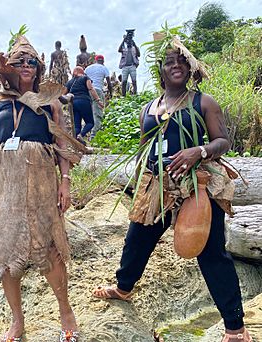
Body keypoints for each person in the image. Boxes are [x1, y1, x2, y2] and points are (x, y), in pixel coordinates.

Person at [92, 32, 252, 342]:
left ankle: (235, 328)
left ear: (191, 69)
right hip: (157, 187)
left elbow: (223, 141)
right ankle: (124, 288)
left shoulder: (202, 102)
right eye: (169, 62)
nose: (175, 65)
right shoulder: (148, 107)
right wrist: (143, 177)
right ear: (161, 71)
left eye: (181, 61)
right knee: (137, 238)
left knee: (211, 253)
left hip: (197, 186)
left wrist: (199, 152)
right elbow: (143, 146)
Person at [0, 36, 83, 342]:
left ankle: (65, 311)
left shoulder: (50, 101)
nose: (25, 66)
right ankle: (17, 321)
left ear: (38, 67)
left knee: (50, 249)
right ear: (8, 66)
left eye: (31, 62)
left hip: (41, 186)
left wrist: (65, 182)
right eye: (19, 61)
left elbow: (61, 146)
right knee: (7, 254)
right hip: (4, 188)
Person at [62, 66, 104, 145]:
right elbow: (91, 88)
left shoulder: (70, 82)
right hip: (84, 101)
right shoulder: (85, 78)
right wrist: (98, 100)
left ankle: (74, 143)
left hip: (73, 103)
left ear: (75, 72)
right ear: (82, 72)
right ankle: (81, 135)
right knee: (90, 123)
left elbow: (63, 95)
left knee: (77, 126)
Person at [85, 55, 112, 139]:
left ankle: (85, 133)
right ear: (103, 61)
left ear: (95, 60)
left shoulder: (88, 68)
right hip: (97, 90)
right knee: (97, 113)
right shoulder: (104, 68)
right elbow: (109, 83)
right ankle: (94, 135)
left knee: (88, 113)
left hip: (87, 91)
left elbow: (83, 79)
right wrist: (111, 93)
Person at [118, 29, 140, 96]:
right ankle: (123, 96)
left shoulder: (134, 48)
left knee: (134, 81)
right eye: (127, 42)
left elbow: (139, 54)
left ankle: (135, 94)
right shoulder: (124, 48)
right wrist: (123, 40)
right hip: (125, 66)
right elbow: (119, 50)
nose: (128, 43)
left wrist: (134, 44)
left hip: (132, 66)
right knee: (124, 81)